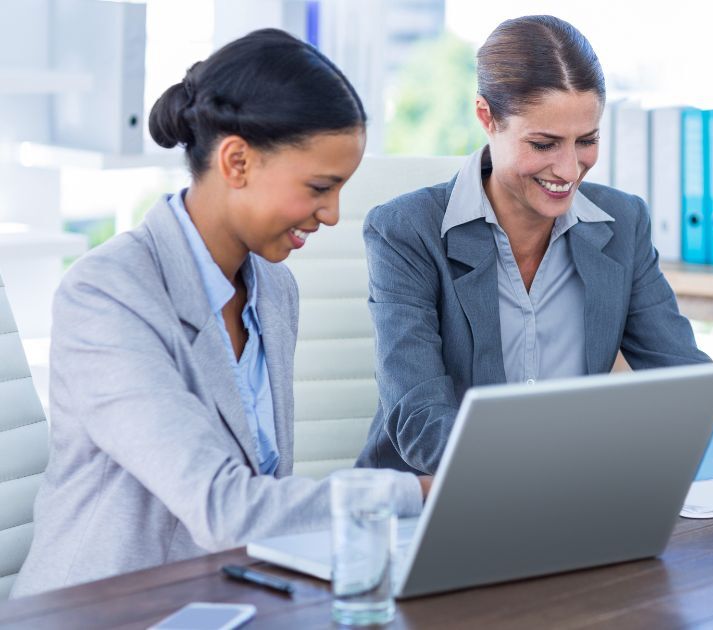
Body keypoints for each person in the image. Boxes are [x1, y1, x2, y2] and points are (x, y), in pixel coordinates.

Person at [11, 29, 428, 598]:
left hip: (226, 597)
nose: (331, 214)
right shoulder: (108, 294)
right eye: (319, 187)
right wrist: (427, 493)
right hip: (107, 608)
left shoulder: (274, 291)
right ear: (236, 160)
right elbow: (225, 507)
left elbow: (263, 501)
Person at [355, 15, 713, 482]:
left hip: (575, 501)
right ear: (486, 118)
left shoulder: (622, 225)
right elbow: (420, 421)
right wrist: (557, 471)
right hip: (429, 502)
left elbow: (686, 380)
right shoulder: (406, 231)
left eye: (587, 141)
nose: (569, 168)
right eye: (544, 143)